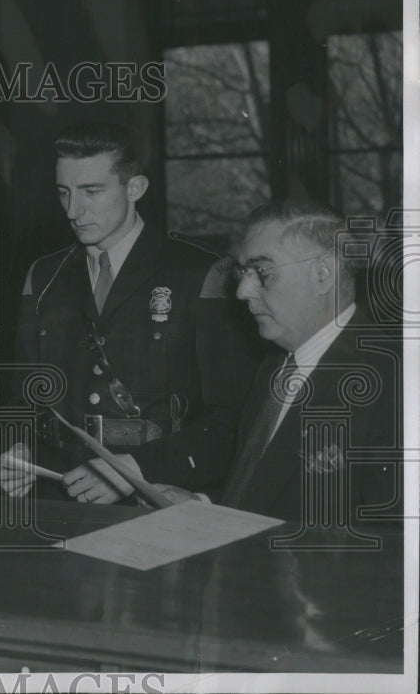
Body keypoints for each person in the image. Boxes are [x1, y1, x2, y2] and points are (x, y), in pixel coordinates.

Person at [74, 201, 401, 522]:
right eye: (244, 273)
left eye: (262, 272)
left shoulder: (394, 386)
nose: (243, 291)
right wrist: (201, 506)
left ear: (323, 275)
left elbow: (391, 550)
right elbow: (267, 493)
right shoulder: (275, 368)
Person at [0, 122, 259, 500]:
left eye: (91, 191)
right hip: (60, 493)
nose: (73, 210)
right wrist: (14, 449)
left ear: (135, 188)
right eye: (63, 192)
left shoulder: (199, 273)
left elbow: (235, 420)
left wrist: (139, 469)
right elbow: (24, 399)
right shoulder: (45, 277)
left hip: (159, 497)